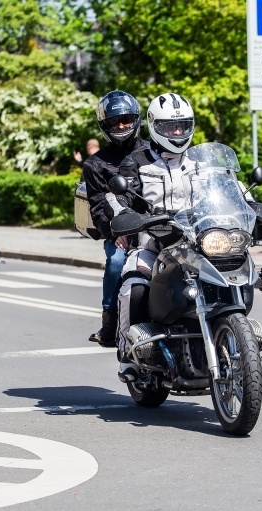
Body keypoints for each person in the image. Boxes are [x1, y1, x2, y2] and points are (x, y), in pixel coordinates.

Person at [107, 92, 197, 381]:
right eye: (170, 127)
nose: (177, 132)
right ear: (154, 127)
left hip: (196, 245)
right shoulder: (136, 161)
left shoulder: (201, 162)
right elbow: (117, 196)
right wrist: (125, 216)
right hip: (153, 246)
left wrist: (246, 207)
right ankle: (127, 355)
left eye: (182, 126)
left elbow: (228, 189)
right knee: (132, 285)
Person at [83, 91, 149, 347]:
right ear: (105, 125)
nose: (121, 125)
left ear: (136, 120)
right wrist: (115, 231)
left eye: (126, 119)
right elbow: (98, 206)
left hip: (159, 226)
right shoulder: (95, 165)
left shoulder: (153, 152)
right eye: (115, 121)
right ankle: (109, 323)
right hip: (121, 231)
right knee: (115, 261)